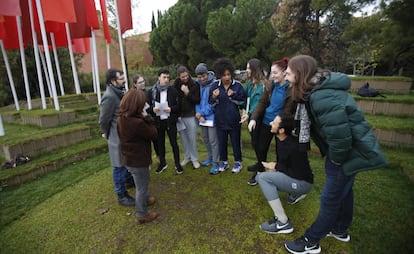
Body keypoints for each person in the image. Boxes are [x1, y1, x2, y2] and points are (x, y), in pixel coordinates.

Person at [283, 55, 388, 254]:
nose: (286, 75)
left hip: (345, 153)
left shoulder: (321, 97)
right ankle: (340, 229)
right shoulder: (318, 91)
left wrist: (336, 160)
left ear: (300, 73)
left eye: (289, 71)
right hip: (349, 150)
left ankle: (311, 241)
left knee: (330, 199)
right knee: (344, 192)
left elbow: (340, 137)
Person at [257, 112, 314, 234]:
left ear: (281, 130)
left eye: (274, 123)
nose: (271, 123)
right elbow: (285, 165)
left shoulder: (293, 147)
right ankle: (295, 194)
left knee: (262, 178)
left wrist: (276, 166)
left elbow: (299, 173)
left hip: (303, 182)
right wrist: (276, 167)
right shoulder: (281, 139)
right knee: (269, 173)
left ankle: (283, 222)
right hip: (298, 179)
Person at [246, 57, 290, 186]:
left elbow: (288, 110)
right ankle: (260, 169)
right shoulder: (270, 85)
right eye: (271, 72)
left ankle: (278, 175)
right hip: (266, 122)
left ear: (284, 73)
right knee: (261, 148)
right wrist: (253, 118)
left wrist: (279, 122)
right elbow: (262, 103)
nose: (272, 76)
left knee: (280, 152)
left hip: (280, 126)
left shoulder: (290, 89)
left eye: (275, 73)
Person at [117, 89, 158, 224]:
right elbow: (153, 133)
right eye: (142, 104)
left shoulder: (121, 118)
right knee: (141, 186)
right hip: (138, 160)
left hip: (129, 157)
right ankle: (142, 213)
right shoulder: (137, 122)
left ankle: (145, 199)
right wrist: (148, 117)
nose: (144, 106)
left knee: (141, 183)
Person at [99, 68, 135, 206]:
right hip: (116, 138)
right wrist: (109, 135)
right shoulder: (109, 96)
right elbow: (103, 120)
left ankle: (128, 181)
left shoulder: (119, 92)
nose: (124, 80)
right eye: (121, 78)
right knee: (118, 166)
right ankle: (121, 195)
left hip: (124, 136)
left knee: (124, 162)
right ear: (113, 81)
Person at [209, 58, 246, 174]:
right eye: (224, 75)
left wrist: (233, 96)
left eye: (228, 74)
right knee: (222, 142)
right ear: (219, 75)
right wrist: (214, 97)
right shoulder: (214, 86)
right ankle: (224, 162)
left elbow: (243, 102)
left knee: (235, 142)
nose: (227, 77)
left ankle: (238, 162)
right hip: (220, 120)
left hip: (234, 121)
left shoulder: (238, 86)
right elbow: (210, 103)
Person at [149, 68, 183, 174]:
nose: (167, 79)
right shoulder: (153, 91)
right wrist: (153, 109)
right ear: (159, 78)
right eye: (164, 77)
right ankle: (162, 163)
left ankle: (177, 164)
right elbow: (147, 107)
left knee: (174, 143)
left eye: (168, 77)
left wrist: (171, 109)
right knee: (160, 143)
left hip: (170, 120)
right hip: (158, 121)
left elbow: (179, 106)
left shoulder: (173, 90)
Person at [240, 58, 265, 184]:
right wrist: (245, 112)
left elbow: (261, 104)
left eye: (249, 68)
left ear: (255, 69)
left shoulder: (263, 85)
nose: (247, 70)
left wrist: (250, 115)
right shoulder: (250, 84)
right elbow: (246, 100)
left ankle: (260, 171)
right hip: (251, 119)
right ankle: (260, 164)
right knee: (255, 144)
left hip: (261, 120)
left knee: (259, 145)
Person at [194, 63, 220, 174]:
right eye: (199, 77)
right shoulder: (197, 84)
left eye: (203, 76)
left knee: (213, 141)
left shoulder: (214, 84)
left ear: (207, 73)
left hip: (211, 117)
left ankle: (216, 163)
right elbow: (196, 100)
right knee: (205, 139)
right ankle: (209, 157)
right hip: (201, 118)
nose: (202, 79)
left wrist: (202, 114)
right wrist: (198, 113)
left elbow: (213, 103)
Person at [173, 65, 201, 169]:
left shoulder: (194, 84)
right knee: (184, 138)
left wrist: (187, 92)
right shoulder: (175, 85)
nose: (185, 78)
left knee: (192, 138)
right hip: (180, 116)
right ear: (178, 77)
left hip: (190, 115)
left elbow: (196, 100)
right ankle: (187, 157)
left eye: (186, 76)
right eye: (182, 77)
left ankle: (194, 158)